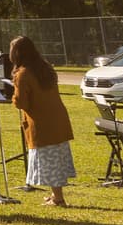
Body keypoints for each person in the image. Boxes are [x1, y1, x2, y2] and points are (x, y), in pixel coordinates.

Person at [5, 35, 73, 205]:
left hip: (42, 123)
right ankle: (55, 195)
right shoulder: (45, 68)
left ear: (16, 53)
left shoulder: (23, 74)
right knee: (56, 158)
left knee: (49, 161)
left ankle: (58, 199)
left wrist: (13, 95)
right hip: (58, 119)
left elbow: (21, 103)